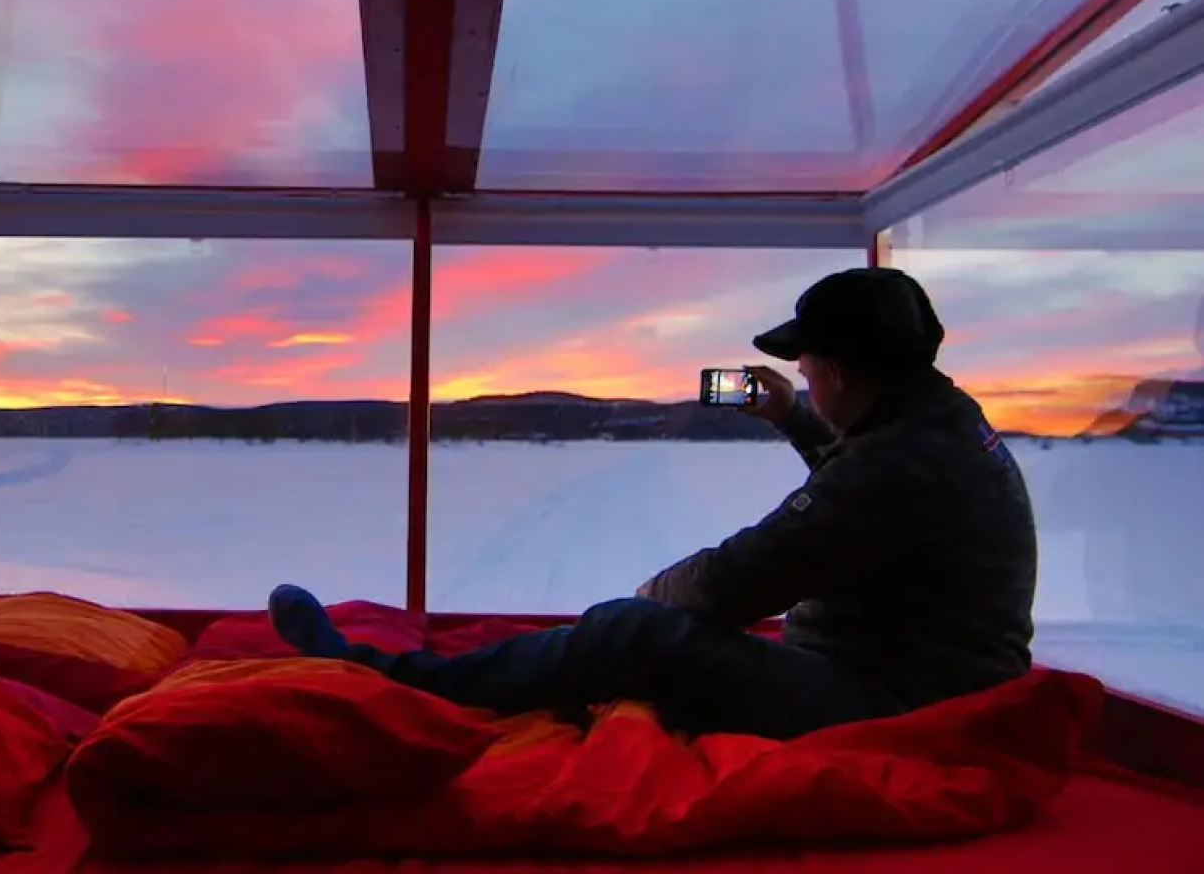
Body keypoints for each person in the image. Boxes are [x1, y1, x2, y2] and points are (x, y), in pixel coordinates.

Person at [267, 268, 1039, 740]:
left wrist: (650, 604)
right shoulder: (935, 421)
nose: (801, 383)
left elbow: (734, 584)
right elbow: (864, 509)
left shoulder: (895, 465)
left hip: (889, 703)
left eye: (805, 375)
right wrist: (793, 421)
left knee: (635, 631)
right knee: (636, 631)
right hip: (927, 680)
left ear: (836, 370)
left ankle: (398, 680)